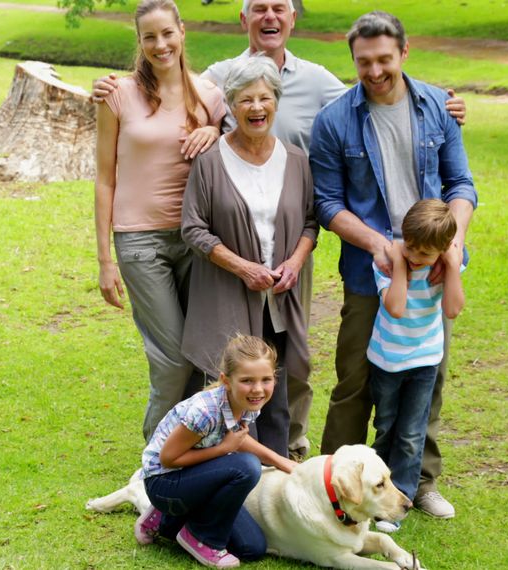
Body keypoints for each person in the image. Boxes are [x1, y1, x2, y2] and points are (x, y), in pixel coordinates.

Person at [93, 0, 468, 461]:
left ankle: (293, 449)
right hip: (192, 240)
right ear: (243, 19)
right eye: (258, 8)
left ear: (292, 18)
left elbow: (369, 103)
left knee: (308, 360)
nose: (256, 105)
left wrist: (442, 101)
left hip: (304, 248)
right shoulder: (215, 78)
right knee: (202, 359)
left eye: (279, 8)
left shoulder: (313, 87)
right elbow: (179, 96)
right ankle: (172, 461)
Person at [310, 11, 477, 519]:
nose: (375, 70)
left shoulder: (438, 107)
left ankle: (417, 483)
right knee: (356, 380)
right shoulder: (335, 120)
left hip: (434, 271)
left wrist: (452, 243)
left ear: (404, 52)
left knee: (428, 378)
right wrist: (377, 244)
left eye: (385, 59)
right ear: (353, 60)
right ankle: (332, 483)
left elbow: (461, 185)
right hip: (370, 273)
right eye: (364, 62)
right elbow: (327, 203)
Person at [94, 0, 227, 442]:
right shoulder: (117, 95)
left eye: (167, 33)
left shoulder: (209, 95)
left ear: (182, 32)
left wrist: (216, 132)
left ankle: (186, 456)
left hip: (195, 238)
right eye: (149, 36)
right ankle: (155, 460)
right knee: (172, 357)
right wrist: (104, 260)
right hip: (139, 242)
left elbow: (241, 151)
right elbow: (105, 179)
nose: (160, 44)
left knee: (197, 353)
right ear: (140, 41)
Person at [180, 56, 318, 458]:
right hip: (227, 291)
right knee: (230, 392)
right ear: (231, 105)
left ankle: (274, 477)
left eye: (264, 98)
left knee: (277, 389)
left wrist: (294, 262)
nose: (256, 108)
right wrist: (241, 267)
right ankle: (228, 473)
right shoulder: (209, 162)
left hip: (280, 294)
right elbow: (193, 228)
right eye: (245, 100)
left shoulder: (296, 160)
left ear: (276, 101)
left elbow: (311, 222)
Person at [134, 334, 296, 568]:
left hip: (194, 478)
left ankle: (166, 521)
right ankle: (201, 537)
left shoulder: (248, 402)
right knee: (247, 467)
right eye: (247, 380)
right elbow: (168, 458)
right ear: (226, 381)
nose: (258, 389)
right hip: (164, 482)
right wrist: (223, 449)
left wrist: (280, 460)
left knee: (252, 548)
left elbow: (238, 437)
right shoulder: (205, 412)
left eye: (266, 379)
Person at [367, 199, 465, 533]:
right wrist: (400, 265)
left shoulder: (444, 266)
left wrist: (452, 266)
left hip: (424, 362)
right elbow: (394, 307)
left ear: (443, 250)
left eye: (425, 254)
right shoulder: (387, 262)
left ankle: (400, 502)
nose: (415, 257)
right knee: (386, 427)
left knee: (411, 434)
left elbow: (452, 309)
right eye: (410, 247)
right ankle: (376, 496)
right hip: (386, 362)